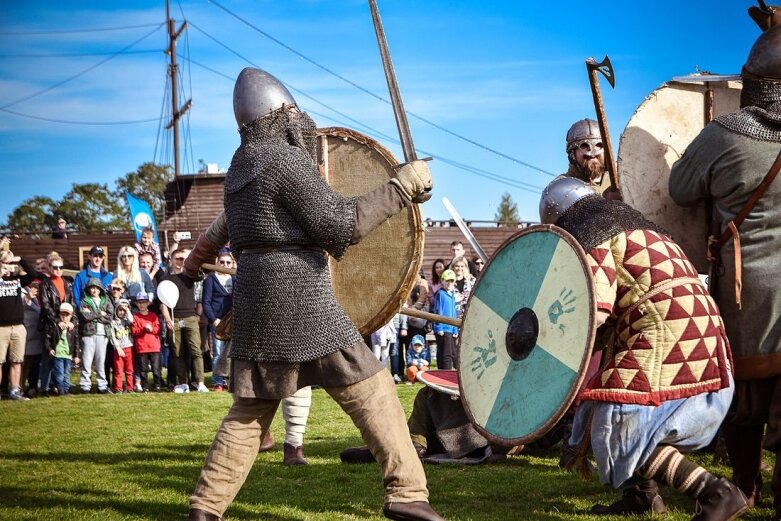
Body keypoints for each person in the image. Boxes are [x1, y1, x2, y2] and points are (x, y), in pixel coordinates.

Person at [182, 67, 442, 521]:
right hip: (300, 293)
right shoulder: (283, 161)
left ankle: (206, 508)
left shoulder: (239, 167)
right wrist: (401, 187)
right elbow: (341, 224)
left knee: (249, 411)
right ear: (282, 115)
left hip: (259, 296)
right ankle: (406, 492)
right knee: (373, 388)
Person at [540, 177, 745, 520]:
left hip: (669, 331)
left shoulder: (594, 236)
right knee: (605, 399)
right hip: (700, 327)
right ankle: (643, 495)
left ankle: (715, 492)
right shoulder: (641, 230)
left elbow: (593, 307)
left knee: (617, 421)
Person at [668, 22, 781, 519]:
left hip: (745, 289)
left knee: (742, 390)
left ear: (753, 84)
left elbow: (678, 189)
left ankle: (745, 484)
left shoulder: (724, 136)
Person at [0, 241, 43, 401]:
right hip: (1, 327)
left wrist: (18, 259)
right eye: (4, 263)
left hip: (18, 326)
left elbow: (33, 274)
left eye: (8, 264)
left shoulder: (17, 280)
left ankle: (15, 391)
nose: (7, 266)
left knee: (17, 361)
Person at [161, 248, 207, 393]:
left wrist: (192, 262)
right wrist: (167, 318)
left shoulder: (190, 275)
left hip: (190, 317)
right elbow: (162, 302)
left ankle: (200, 382)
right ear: (172, 260)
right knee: (177, 352)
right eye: (178, 259)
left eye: (184, 259)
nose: (181, 262)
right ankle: (182, 383)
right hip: (174, 319)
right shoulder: (165, 279)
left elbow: (200, 273)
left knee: (196, 351)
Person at [39, 252, 77, 396]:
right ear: (49, 267)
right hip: (51, 324)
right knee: (49, 357)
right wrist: (57, 321)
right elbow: (46, 305)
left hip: (67, 323)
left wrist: (71, 320)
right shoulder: (45, 284)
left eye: (61, 267)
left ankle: (59, 386)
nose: (58, 270)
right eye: (55, 267)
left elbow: (72, 303)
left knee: (64, 358)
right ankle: (44, 388)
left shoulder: (67, 283)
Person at [202, 250, 234, 391]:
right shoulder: (210, 279)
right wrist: (214, 319)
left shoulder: (235, 278)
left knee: (231, 353)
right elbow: (206, 302)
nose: (225, 264)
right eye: (222, 262)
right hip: (218, 321)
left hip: (232, 321)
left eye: (228, 262)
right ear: (217, 263)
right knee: (218, 353)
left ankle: (228, 379)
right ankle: (218, 382)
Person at [78, 278, 113, 394]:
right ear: (88, 289)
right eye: (92, 288)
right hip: (88, 333)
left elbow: (110, 317)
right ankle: (85, 385)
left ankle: (102, 385)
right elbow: (85, 316)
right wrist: (99, 313)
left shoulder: (106, 300)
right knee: (86, 360)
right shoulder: (85, 301)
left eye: (97, 288)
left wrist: (93, 315)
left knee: (100, 361)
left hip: (102, 334)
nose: (94, 290)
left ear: (100, 289)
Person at [559, 118, 612, 194]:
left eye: (599, 145)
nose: (593, 153)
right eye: (584, 146)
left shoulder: (621, 181)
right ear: (572, 154)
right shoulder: (561, 187)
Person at [131, 291, 162, 392]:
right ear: (137, 304)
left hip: (154, 346)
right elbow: (134, 332)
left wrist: (151, 329)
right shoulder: (136, 317)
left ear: (148, 303)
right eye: (140, 303)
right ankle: (145, 386)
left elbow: (157, 329)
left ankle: (157, 384)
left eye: (144, 303)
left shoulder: (153, 316)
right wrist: (144, 329)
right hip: (142, 347)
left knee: (156, 369)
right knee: (143, 370)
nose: (142, 305)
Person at [46, 302, 79, 395]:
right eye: (62, 314)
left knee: (67, 373)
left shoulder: (73, 327)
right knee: (59, 373)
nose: (64, 317)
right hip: (58, 354)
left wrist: (76, 355)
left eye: (67, 315)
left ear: (71, 316)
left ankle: (66, 389)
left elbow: (76, 342)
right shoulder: (55, 326)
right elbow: (48, 337)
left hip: (68, 354)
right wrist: (49, 349)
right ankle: (60, 389)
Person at [21, 281, 44, 398]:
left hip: (39, 336)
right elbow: (23, 304)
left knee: (35, 364)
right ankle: (19, 387)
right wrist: (28, 297)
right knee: (24, 363)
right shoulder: (23, 292)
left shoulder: (44, 295)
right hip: (28, 335)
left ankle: (33, 386)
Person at [431, 269, 457, 370]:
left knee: (452, 353)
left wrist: (455, 329)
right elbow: (438, 311)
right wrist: (439, 327)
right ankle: (444, 373)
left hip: (451, 329)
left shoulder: (452, 295)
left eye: (451, 281)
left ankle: (450, 372)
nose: (449, 283)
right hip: (443, 329)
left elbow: (454, 312)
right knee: (445, 354)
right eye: (447, 281)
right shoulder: (440, 294)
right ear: (442, 281)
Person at [108, 298, 134, 393]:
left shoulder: (128, 321)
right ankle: (118, 388)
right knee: (118, 370)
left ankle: (130, 387)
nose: (122, 312)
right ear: (116, 310)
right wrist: (118, 347)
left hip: (129, 347)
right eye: (120, 310)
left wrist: (127, 310)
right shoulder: (113, 322)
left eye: (124, 310)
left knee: (129, 370)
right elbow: (112, 336)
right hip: (118, 349)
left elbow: (132, 320)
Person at [450, 255, 475, 322]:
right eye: (457, 266)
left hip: (469, 316)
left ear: (465, 267)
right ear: (453, 267)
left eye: (462, 266)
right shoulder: (449, 281)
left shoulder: (472, 281)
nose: (459, 268)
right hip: (453, 316)